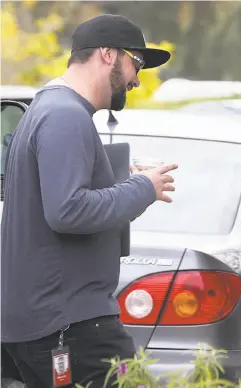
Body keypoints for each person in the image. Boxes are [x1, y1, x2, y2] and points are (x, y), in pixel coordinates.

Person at [1, 14, 175, 387]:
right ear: (108, 54)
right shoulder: (65, 115)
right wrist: (143, 188)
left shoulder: (49, 109)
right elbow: (68, 211)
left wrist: (124, 182)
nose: (137, 78)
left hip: (53, 323)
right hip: (72, 326)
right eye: (137, 62)